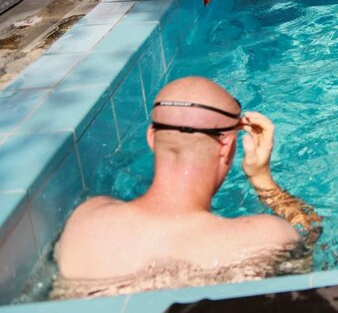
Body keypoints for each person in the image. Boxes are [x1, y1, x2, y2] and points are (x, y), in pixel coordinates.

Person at [51, 76, 321, 299]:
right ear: (226, 146)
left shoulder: (85, 221)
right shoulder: (264, 239)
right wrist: (262, 179)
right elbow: (326, 256)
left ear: (151, 138)